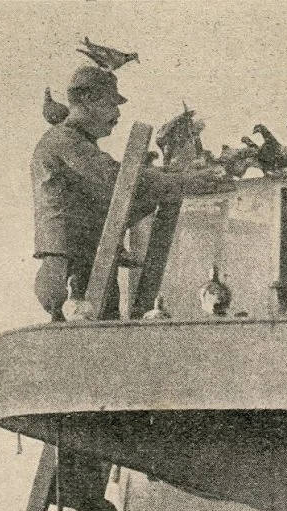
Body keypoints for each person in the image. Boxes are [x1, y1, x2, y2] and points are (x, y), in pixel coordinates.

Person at [32, 64, 221, 321]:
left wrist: (175, 178)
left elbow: (121, 195)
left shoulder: (74, 143)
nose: (117, 114)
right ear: (87, 100)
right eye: (111, 103)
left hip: (88, 261)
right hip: (71, 265)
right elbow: (117, 180)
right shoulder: (64, 141)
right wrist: (184, 181)